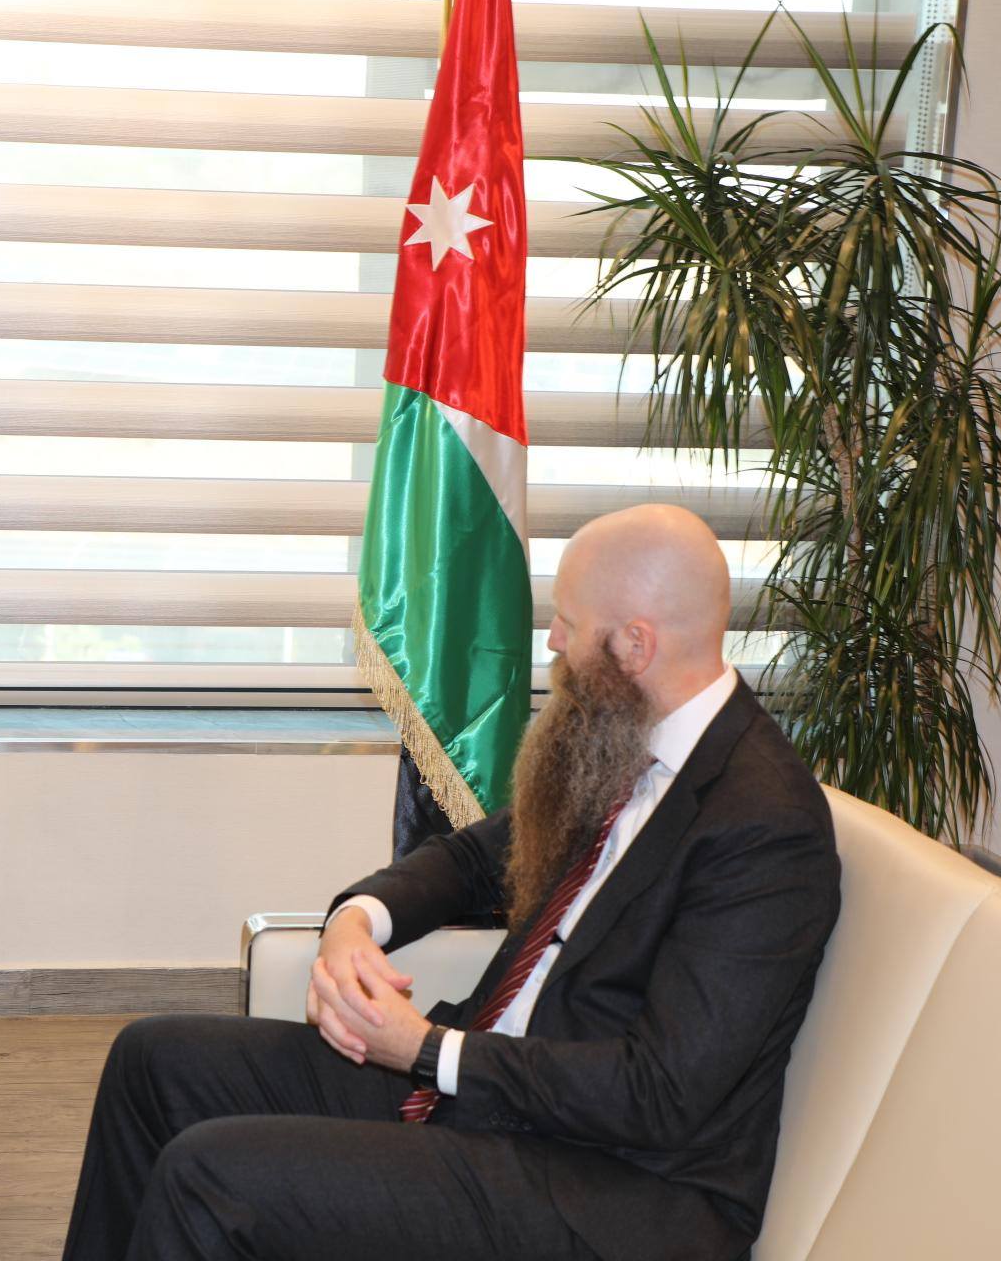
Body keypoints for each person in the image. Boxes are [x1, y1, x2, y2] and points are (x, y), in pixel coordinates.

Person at [61, 504, 841, 1261]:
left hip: (610, 1186)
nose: (553, 640)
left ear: (636, 644)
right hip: (494, 1099)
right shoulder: (621, 738)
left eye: (569, 622)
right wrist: (355, 920)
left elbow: (661, 1093)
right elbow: (473, 859)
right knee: (152, 1062)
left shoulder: (763, 826)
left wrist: (429, 1051)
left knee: (211, 1178)